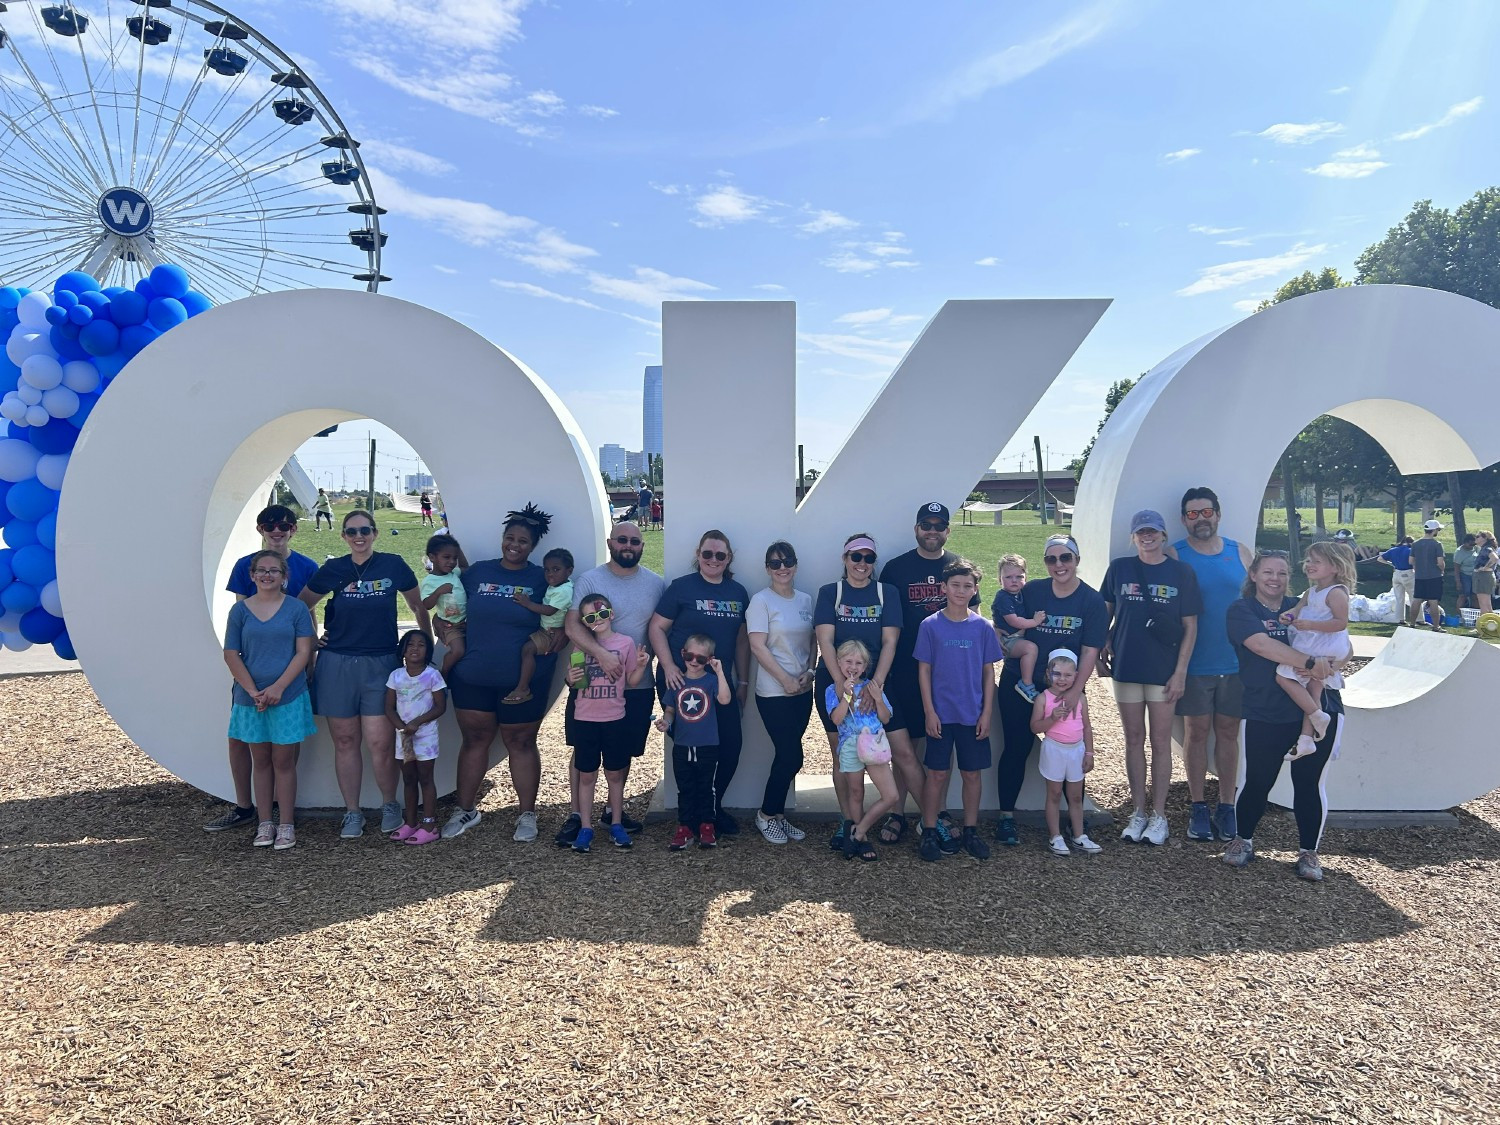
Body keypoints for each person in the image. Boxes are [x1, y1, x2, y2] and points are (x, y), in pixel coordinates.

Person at [300, 510, 430, 839]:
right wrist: (312, 643)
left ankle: (389, 805)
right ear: (343, 536)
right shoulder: (333, 569)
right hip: (337, 663)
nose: (359, 536)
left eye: (365, 530)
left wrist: (427, 646)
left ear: (374, 533)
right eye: (352, 531)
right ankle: (352, 811)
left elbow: (417, 606)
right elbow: (302, 604)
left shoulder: (393, 565)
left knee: (380, 742)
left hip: (381, 663)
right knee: (345, 741)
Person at [1222, 550, 1342, 882]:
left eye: (1283, 573)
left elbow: (1340, 636)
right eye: (1268, 572)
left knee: (1309, 783)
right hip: (1265, 709)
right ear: (1254, 576)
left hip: (1318, 707)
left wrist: (1336, 659)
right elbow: (1261, 646)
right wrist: (1309, 661)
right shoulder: (1242, 610)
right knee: (1258, 780)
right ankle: (1242, 840)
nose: (1276, 579)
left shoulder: (1305, 605)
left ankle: (1308, 851)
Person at [442, 503, 559, 842]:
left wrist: (552, 643)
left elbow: (559, 617)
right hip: (473, 675)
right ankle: (465, 809)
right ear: (502, 539)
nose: (515, 545)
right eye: (510, 538)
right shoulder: (477, 572)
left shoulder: (542, 578)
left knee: (521, 742)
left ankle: (526, 814)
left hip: (521, 681)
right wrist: (442, 626)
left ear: (533, 547)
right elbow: (451, 606)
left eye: (523, 541)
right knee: (475, 740)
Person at [205, 505, 322, 833]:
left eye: (284, 525)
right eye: (269, 524)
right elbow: (242, 617)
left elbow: (307, 613)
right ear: (259, 529)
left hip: (290, 670)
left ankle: (282, 811)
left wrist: (309, 659)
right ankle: (247, 808)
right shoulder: (245, 566)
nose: (277, 529)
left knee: (286, 744)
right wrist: (249, 682)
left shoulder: (307, 567)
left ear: (293, 530)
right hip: (251, 676)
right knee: (241, 741)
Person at [991, 534, 1108, 847]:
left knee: (1072, 747)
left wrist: (1075, 692)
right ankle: (1005, 817)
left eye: (1065, 558)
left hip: (1063, 685)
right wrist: (1000, 633)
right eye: (1051, 559)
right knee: (1016, 747)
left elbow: (1090, 651)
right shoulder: (1032, 590)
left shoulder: (1092, 601)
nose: (1059, 565)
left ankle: (1075, 822)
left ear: (1076, 560)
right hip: (1020, 682)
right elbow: (1003, 612)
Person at [557, 522, 666, 845]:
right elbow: (572, 625)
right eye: (622, 540)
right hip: (592, 684)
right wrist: (601, 655)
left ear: (642, 546)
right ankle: (578, 815)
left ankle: (611, 812)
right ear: (610, 542)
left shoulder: (656, 584)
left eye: (634, 541)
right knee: (583, 747)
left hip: (637, 684)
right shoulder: (591, 579)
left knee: (624, 752)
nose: (628, 545)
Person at [876, 502, 977, 843]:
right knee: (907, 747)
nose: (932, 530)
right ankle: (898, 813)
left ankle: (937, 812)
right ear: (916, 528)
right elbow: (885, 624)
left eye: (939, 525)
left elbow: (975, 621)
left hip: (949, 677)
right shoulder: (895, 569)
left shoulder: (960, 568)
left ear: (948, 529)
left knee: (939, 750)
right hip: (905, 670)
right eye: (926, 524)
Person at [815, 533, 919, 852]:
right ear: (844, 559)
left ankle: (932, 820)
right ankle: (849, 824)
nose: (861, 564)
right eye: (855, 557)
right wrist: (840, 683)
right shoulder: (830, 592)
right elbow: (826, 641)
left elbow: (890, 642)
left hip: (877, 682)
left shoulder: (885, 593)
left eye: (868, 558)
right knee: (842, 756)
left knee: (903, 753)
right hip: (835, 682)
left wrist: (875, 686)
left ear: (874, 563)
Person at [1103, 509, 1201, 847]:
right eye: (1141, 532)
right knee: (1133, 740)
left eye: (1153, 532)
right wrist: (1103, 644)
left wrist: (1180, 673)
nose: (1147, 537)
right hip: (1127, 668)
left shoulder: (1181, 572)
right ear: (1134, 536)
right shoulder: (1119, 568)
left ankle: (1160, 815)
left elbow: (1190, 627)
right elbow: (1107, 611)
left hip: (1163, 672)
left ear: (1162, 535)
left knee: (1160, 743)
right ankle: (1138, 811)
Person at [649, 530, 750, 834]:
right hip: (682, 682)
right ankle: (690, 815)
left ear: (728, 558)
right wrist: (668, 666)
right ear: (698, 554)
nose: (713, 560)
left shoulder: (737, 592)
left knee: (729, 746)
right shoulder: (681, 587)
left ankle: (712, 810)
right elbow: (656, 628)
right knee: (688, 751)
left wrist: (742, 682)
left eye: (720, 555)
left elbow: (742, 642)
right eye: (708, 554)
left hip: (718, 683)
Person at [1167, 487, 1253, 843]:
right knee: (1197, 734)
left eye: (1206, 512)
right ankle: (1198, 806)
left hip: (1237, 663)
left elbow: (1259, 600)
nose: (1200, 519)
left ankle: (1228, 806)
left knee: (1230, 734)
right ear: (1184, 518)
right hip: (1195, 663)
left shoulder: (1241, 552)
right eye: (1192, 514)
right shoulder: (1175, 554)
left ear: (1218, 514)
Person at [222, 550, 317, 851]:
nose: (267, 575)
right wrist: (252, 691)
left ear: (284, 576)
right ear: (252, 576)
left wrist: (278, 687)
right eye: (261, 570)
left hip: (288, 696)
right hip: (251, 699)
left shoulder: (296, 609)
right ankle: (265, 823)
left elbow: (304, 651)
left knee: (283, 762)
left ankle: (286, 824)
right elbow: (230, 653)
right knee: (260, 761)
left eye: (274, 570)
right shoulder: (239, 612)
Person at [914, 557, 1000, 862]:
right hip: (941, 715)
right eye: (955, 585)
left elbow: (988, 672)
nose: (961, 591)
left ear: (975, 589)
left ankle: (970, 831)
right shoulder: (930, 626)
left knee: (971, 775)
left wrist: (987, 712)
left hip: (972, 715)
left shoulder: (982, 627)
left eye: (967, 586)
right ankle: (928, 831)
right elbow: (924, 670)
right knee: (936, 774)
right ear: (944, 588)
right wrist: (929, 711)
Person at [565, 593, 650, 853]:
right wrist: (570, 678)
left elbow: (632, 682)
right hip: (585, 718)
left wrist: (642, 666)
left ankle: (615, 822)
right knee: (587, 774)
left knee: (615, 773)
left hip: (615, 717)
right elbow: (574, 683)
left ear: (611, 614)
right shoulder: (582, 647)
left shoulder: (625, 643)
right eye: (591, 617)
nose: (598, 620)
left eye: (602, 614)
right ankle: (586, 827)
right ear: (586, 622)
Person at [746, 540, 815, 845]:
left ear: (796, 564)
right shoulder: (761, 601)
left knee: (788, 757)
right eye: (775, 563)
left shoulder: (805, 600)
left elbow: (814, 641)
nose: (782, 568)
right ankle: (765, 814)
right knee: (791, 755)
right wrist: (785, 680)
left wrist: (810, 672)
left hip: (802, 690)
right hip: (774, 691)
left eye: (787, 561)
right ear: (767, 569)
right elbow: (757, 646)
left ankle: (778, 816)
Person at [1278, 542, 1353, 761]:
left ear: (1335, 568)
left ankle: (1316, 715)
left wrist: (1310, 625)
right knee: (1313, 688)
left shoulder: (1336, 593)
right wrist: (1289, 616)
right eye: (1309, 560)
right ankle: (1306, 738)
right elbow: (1298, 608)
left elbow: (1341, 623)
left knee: (1283, 675)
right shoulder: (1311, 591)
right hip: (1315, 642)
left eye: (1316, 562)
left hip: (1323, 644)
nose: (1309, 565)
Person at [656, 634, 732, 850]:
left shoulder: (711, 681)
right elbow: (670, 710)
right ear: (683, 654)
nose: (694, 662)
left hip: (708, 746)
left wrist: (719, 672)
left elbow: (725, 699)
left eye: (701, 659)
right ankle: (685, 827)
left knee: (707, 788)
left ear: (709, 660)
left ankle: (707, 826)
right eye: (690, 656)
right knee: (685, 788)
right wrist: (666, 723)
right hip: (682, 745)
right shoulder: (677, 681)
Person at [825, 639, 898, 862]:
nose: (853, 667)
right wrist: (846, 696)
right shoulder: (833, 689)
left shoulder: (872, 687)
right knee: (856, 793)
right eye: (848, 661)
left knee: (891, 796)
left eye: (859, 663)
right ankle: (862, 838)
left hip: (873, 744)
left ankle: (857, 830)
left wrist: (877, 699)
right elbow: (836, 719)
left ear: (865, 667)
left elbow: (886, 718)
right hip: (849, 745)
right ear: (838, 663)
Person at [1030, 649, 1101, 857]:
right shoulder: (1043, 699)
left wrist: (1089, 753)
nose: (1062, 679)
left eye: (1068, 675)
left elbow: (1087, 727)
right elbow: (1035, 727)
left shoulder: (1080, 698)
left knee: (1075, 796)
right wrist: (1052, 718)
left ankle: (1079, 835)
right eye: (1057, 674)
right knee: (1054, 794)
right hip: (1054, 750)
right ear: (1048, 674)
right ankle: (1055, 836)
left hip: (1076, 751)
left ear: (1076, 676)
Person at [384, 630, 447, 845]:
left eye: (421, 645)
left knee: (426, 778)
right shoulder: (395, 676)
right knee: (409, 778)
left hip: (426, 737)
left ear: (428, 651)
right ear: (403, 649)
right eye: (410, 644)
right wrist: (402, 727)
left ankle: (429, 825)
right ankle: (411, 822)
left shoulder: (432, 676)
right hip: (404, 737)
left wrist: (417, 723)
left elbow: (440, 706)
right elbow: (389, 707)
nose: (415, 649)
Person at [504, 548, 573, 705]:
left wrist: (527, 603)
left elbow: (549, 611)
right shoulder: (558, 585)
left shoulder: (564, 591)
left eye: (556, 569)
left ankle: (523, 688)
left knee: (527, 650)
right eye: (547, 570)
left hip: (550, 634)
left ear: (569, 571)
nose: (550, 574)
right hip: (545, 630)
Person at [992, 554, 1043, 701]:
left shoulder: (1021, 594)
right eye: (1008, 577)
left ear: (1026, 577)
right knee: (1030, 649)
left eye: (1019, 577)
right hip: (1008, 639)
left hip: (1016, 637)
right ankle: (1026, 684)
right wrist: (1035, 621)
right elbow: (1014, 621)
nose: (1014, 580)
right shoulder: (1003, 597)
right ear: (999, 579)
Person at [420, 533, 469, 677]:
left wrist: (458, 548)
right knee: (458, 650)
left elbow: (465, 567)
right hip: (449, 626)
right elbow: (426, 605)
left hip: (464, 622)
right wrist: (438, 593)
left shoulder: (454, 573)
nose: (452, 561)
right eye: (446, 557)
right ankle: (444, 672)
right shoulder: (430, 581)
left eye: (454, 558)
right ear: (432, 557)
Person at [1411, 518, 1446, 630]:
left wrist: (1417, 568)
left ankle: (1412, 624)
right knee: (1433, 601)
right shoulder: (1437, 544)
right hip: (1434, 576)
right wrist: (1442, 569)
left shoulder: (1415, 544)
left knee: (1417, 599)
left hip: (1419, 576)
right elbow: (1440, 562)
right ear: (1434, 530)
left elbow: (1411, 561)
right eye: (1438, 530)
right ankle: (1436, 626)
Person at [1377, 536, 1415, 625]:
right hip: (1408, 573)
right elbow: (1413, 562)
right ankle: (1418, 619)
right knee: (1414, 597)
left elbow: (1380, 558)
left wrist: (1390, 564)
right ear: (1410, 543)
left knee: (1399, 598)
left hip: (1397, 573)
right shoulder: (1410, 550)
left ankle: (1400, 619)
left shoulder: (1393, 550)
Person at [1472, 531, 1496, 614]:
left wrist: (1485, 567)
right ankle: (1492, 625)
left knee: (1483, 604)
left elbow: (1494, 558)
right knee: (1487, 605)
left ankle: (1483, 625)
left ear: (1484, 538)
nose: (1475, 538)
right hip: (1483, 577)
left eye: (1478, 536)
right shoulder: (1483, 548)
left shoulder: (1487, 548)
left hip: (1483, 577)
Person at [1453, 533, 1478, 611]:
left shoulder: (1477, 548)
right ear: (1465, 543)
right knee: (1463, 595)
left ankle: (1476, 614)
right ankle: (1460, 615)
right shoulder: (1459, 552)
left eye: (1474, 544)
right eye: (1470, 544)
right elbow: (1456, 568)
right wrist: (1458, 582)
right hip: (1464, 575)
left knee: (1475, 596)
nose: (1472, 546)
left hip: (1475, 575)